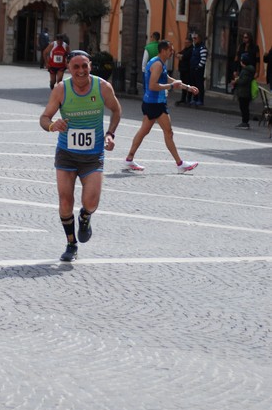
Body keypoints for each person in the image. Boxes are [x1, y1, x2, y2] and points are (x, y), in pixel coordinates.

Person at [39, 50, 122, 262]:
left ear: (90, 66)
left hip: (93, 155)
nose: (81, 71)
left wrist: (110, 134)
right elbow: (44, 117)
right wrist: (52, 126)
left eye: (84, 66)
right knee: (65, 201)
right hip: (66, 154)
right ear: (69, 69)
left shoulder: (102, 87)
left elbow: (116, 110)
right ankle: (71, 243)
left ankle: (85, 217)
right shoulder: (61, 90)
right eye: (76, 67)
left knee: (91, 202)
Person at [124, 40, 199, 174]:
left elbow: (167, 78)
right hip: (156, 104)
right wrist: (172, 86)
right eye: (170, 50)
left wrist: (186, 87)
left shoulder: (158, 62)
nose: (172, 52)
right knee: (168, 132)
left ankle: (129, 159)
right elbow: (153, 85)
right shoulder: (158, 64)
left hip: (151, 102)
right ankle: (180, 164)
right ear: (163, 50)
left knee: (144, 131)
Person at [231, 52, 254, 130]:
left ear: (243, 61)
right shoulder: (247, 70)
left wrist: (236, 81)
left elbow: (243, 81)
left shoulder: (246, 71)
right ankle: (245, 122)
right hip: (245, 92)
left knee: (244, 107)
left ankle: (245, 122)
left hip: (244, 93)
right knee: (244, 107)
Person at [189, 32, 208, 106]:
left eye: (195, 38)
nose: (194, 40)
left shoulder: (202, 48)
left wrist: (198, 67)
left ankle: (200, 99)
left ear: (199, 38)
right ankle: (195, 98)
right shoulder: (194, 47)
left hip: (198, 70)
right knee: (194, 84)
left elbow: (203, 59)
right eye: (193, 38)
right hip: (193, 68)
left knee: (199, 85)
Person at [175, 36, 193, 105]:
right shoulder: (185, 49)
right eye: (185, 42)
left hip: (187, 70)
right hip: (182, 69)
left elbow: (185, 56)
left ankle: (188, 99)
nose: (185, 44)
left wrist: (181, 56)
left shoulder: (191, 49)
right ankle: (183, 98)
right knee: (183, 84)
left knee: (188, 84)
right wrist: (180, 56)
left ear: (191, 43)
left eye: (187, 42)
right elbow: (178, 54)